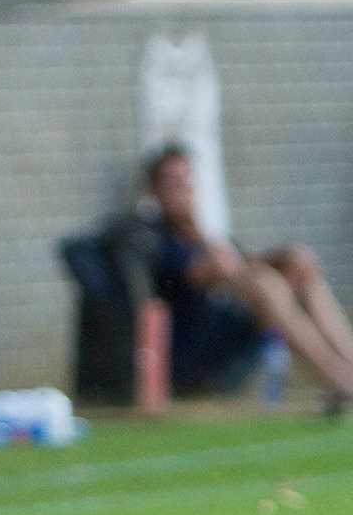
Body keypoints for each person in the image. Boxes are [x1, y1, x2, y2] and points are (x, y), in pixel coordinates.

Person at [144, 145, 353, 406]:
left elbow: (242, 259)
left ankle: (350, 363)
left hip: (229, 335)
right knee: (264, 283)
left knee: (299, 262)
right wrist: (194, 224)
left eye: (186, 178)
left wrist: (289, 258)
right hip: (196, 355)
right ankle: (337, 378)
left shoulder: (202, 235)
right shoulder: (155, 239)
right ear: (154, 190)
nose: (183, 187)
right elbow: (225, 269)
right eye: (172, 181)